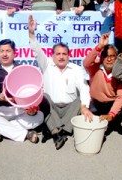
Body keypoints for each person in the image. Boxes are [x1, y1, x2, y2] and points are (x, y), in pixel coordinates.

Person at [28, 15, 93, 150]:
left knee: (80, 100)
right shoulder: (46, 65)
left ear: (69, 56)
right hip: (53, 109)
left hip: (69, 108)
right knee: (44, 98)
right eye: (58, 54)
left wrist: (84, 106)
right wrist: (31, 33)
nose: (61, 57)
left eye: (64, 54)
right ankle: (60, 131)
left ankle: (54, 130)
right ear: (52, 56)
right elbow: (36, 51)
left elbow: (84, 88)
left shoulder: (76, 69)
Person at [0, 39, 44, 143]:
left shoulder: (21, 69)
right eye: (2, 51)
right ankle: (25, 133)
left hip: (17, 110)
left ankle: (1, 129)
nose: (5, 54)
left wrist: (31, 109)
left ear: (15, 53)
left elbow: (28, 93)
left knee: (39, 116)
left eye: (8, 51)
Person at [83, 33, 122, 132]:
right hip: (96, 103)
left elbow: (120, 97)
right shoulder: (95, 68)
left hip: (111, 103)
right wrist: (99, 46)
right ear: (101, 58)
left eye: (112, 56)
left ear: (116, 57)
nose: (109, 59)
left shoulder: (120, 73)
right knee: (90, 121)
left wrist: (111, 115)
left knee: (117, 119)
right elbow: (86, 63)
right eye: (106, 56)